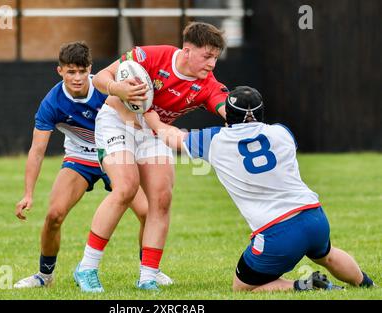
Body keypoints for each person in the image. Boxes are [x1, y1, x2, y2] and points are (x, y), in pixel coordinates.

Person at [143, 86, 376, 291]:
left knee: (243, 287)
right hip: (314, 216)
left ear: (228, 115)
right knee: (327, 254)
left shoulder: (214, 140)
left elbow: (172, 137)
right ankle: (367, 285)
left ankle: (305, 285)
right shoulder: (281, 132)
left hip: (277, 232)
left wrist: (151, 116)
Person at [74, 22, 230, 291]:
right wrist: (117, 88)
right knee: (125, 187)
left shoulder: (207, 85)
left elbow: (226, 107)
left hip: (154, 132)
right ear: (187, 50)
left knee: (162, 198)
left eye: (215, 57)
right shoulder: (153, 56)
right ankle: (86, 268)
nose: (212, 64)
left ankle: (148, 276)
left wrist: (243, 118)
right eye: (207, 56)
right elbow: (99, 78)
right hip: (117, 122)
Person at [13, 41, 172, 289]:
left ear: (90, 69)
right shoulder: (52, 103)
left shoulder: (107, 88)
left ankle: (149, 270)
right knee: (54, 215)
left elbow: (134, 120)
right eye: (70, 72)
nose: (77, 78)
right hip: (81, 158)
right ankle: (44, 276)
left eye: (82, 71)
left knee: (146, 212)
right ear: (60, 71)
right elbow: (37, 150)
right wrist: (28, 193)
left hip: (116, 152)